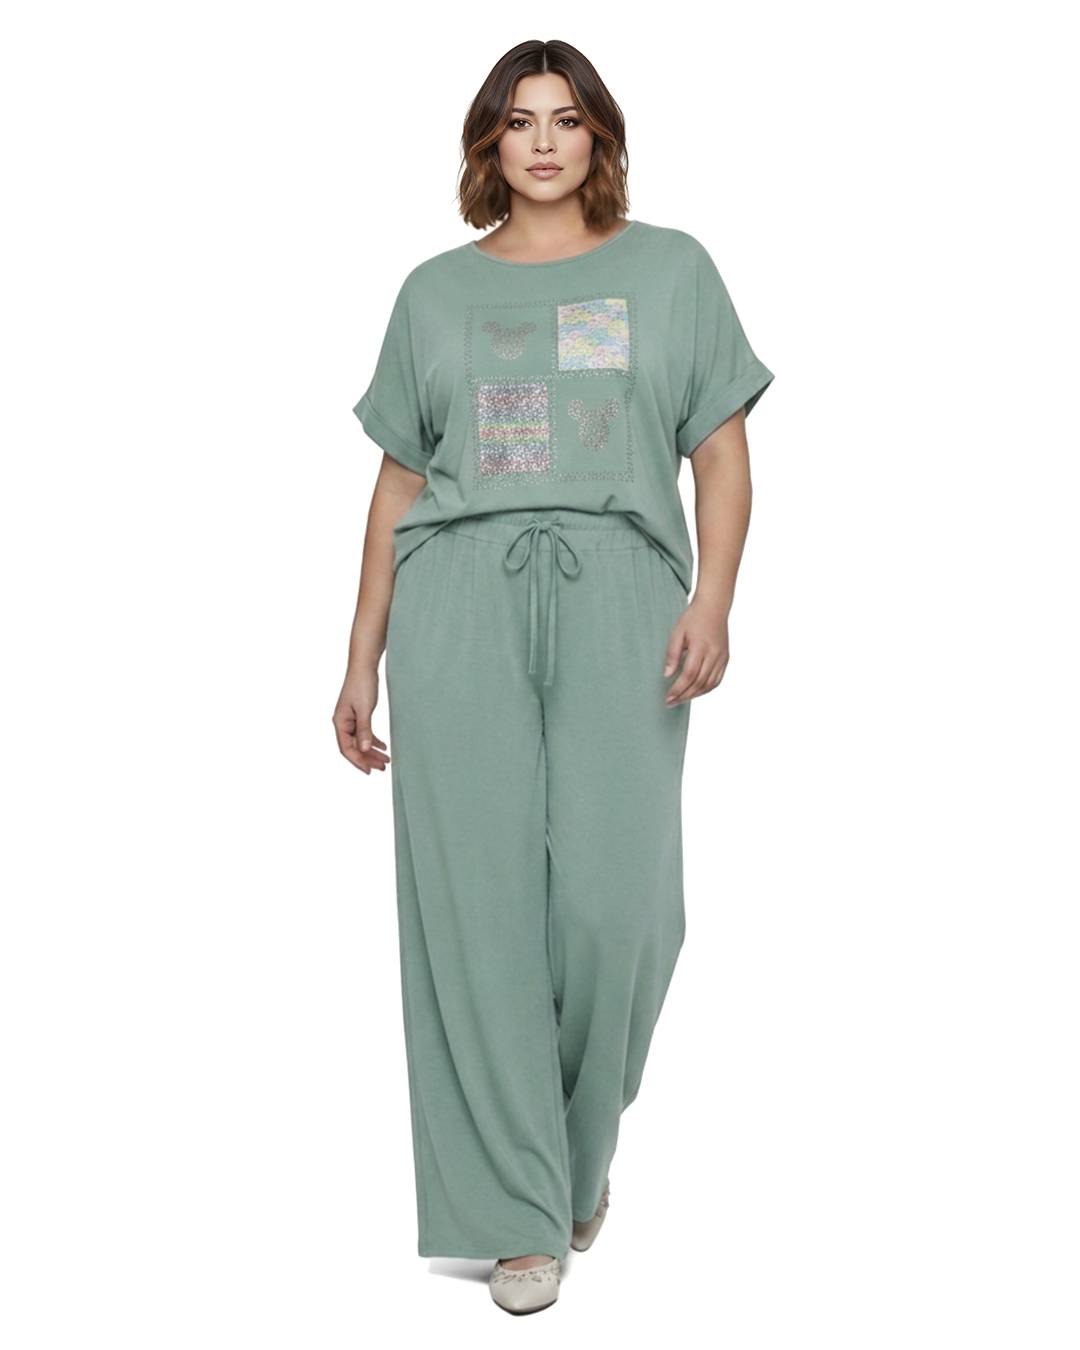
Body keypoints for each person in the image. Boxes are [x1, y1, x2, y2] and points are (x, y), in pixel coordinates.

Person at [333, 39, 775, 1316]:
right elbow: (399, 483)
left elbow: (721, 455)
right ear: (490, 141)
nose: (542, 142)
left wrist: (714, 598)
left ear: (599, 138)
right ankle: (519, 1217)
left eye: (566, 120)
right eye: (519, 121)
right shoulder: (432, 293)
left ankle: (571, 1161)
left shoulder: (673, 271)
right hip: (456, 601)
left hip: (623, 597)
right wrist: (360, 655)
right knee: (475, 912)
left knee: (619, 910)